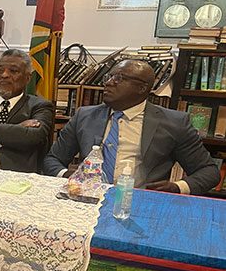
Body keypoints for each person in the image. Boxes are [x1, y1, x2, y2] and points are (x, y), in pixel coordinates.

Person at [44, 58, 220, 195]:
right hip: (86, 200)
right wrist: (68, 177)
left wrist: (177, 187)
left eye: (119, 78)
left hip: (140, 202)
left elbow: (209, 172)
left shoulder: (174, 123)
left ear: (142, 88)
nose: (109, 82)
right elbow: (52, 159)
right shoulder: (85, 116)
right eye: (109, 76)